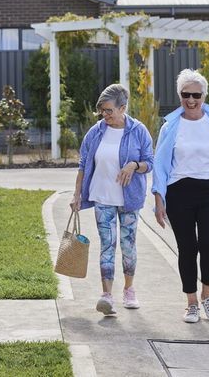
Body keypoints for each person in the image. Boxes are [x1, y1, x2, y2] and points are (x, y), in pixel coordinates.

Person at [152, 69, 209, 323]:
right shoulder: (171, 127)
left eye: (196, 95)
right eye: (186, 94)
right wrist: (159, 199)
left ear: (204, 96)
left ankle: (208, 295)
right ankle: (191, 302)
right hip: (179, 192)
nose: (191, 100)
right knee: (187, 248)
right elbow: (160, 165)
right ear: (180, 96)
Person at [71, 84, 154, 315]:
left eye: (109, 110)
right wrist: (77, 194)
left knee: (128, 245)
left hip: (130, 199)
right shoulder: (95, 132)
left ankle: (129, 290)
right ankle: (106, 295)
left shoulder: (138, 131)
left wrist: (134, 165)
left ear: (123, 108)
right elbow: (83, 165)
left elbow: (150, 162)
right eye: (102, 110)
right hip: (102, 197)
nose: (104, 115)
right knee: (107, 245)